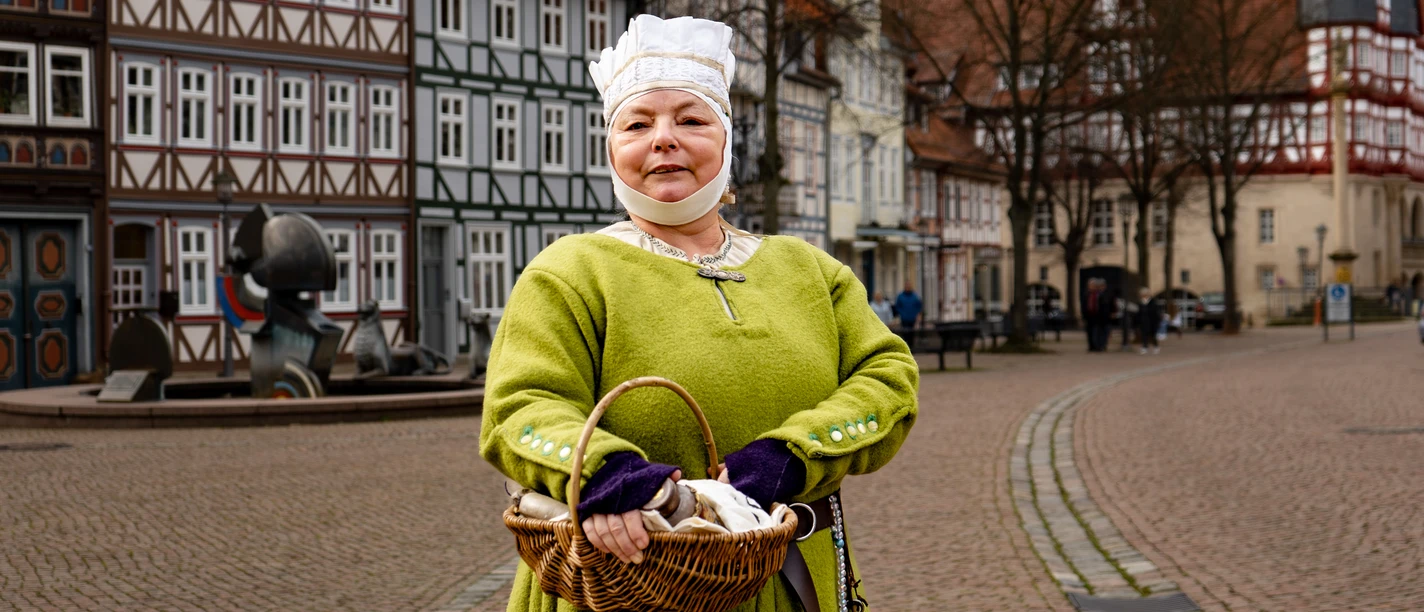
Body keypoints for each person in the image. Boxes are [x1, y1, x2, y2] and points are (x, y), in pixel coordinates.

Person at [479, 15, 918, 612]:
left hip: (793, 579)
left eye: (690, 119)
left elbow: (888, 381)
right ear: (612, 147)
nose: (664, 138)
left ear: (726, 140)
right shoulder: (570, 270)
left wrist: (790, 457)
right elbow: (520, 408)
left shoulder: (808, 270)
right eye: (637, 123)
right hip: (627, 581)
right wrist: (608, 478)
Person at [1136, 287, 1162, 355]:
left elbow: (1155, 313)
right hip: (1143, 322)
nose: (1142, 295)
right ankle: (1144, 347)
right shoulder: (1140, 302)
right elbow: (1138, 313)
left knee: (1152, 335)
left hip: (1152, 322)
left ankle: (1156, 346)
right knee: (1144, 335)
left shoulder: (1153, 302)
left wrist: (1157, 322)